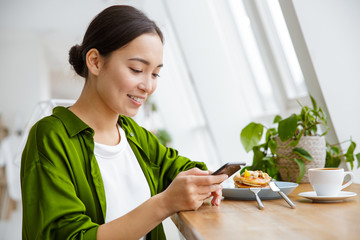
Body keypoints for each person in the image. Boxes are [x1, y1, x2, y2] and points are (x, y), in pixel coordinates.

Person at [21, 5, 227, 240]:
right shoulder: (50, 137)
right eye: (137, 69)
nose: (148, 86)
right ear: (96, 62)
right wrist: (163, 204)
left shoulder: (133, 135)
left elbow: (178, 168)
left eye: (155, 73)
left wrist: (205, 180)